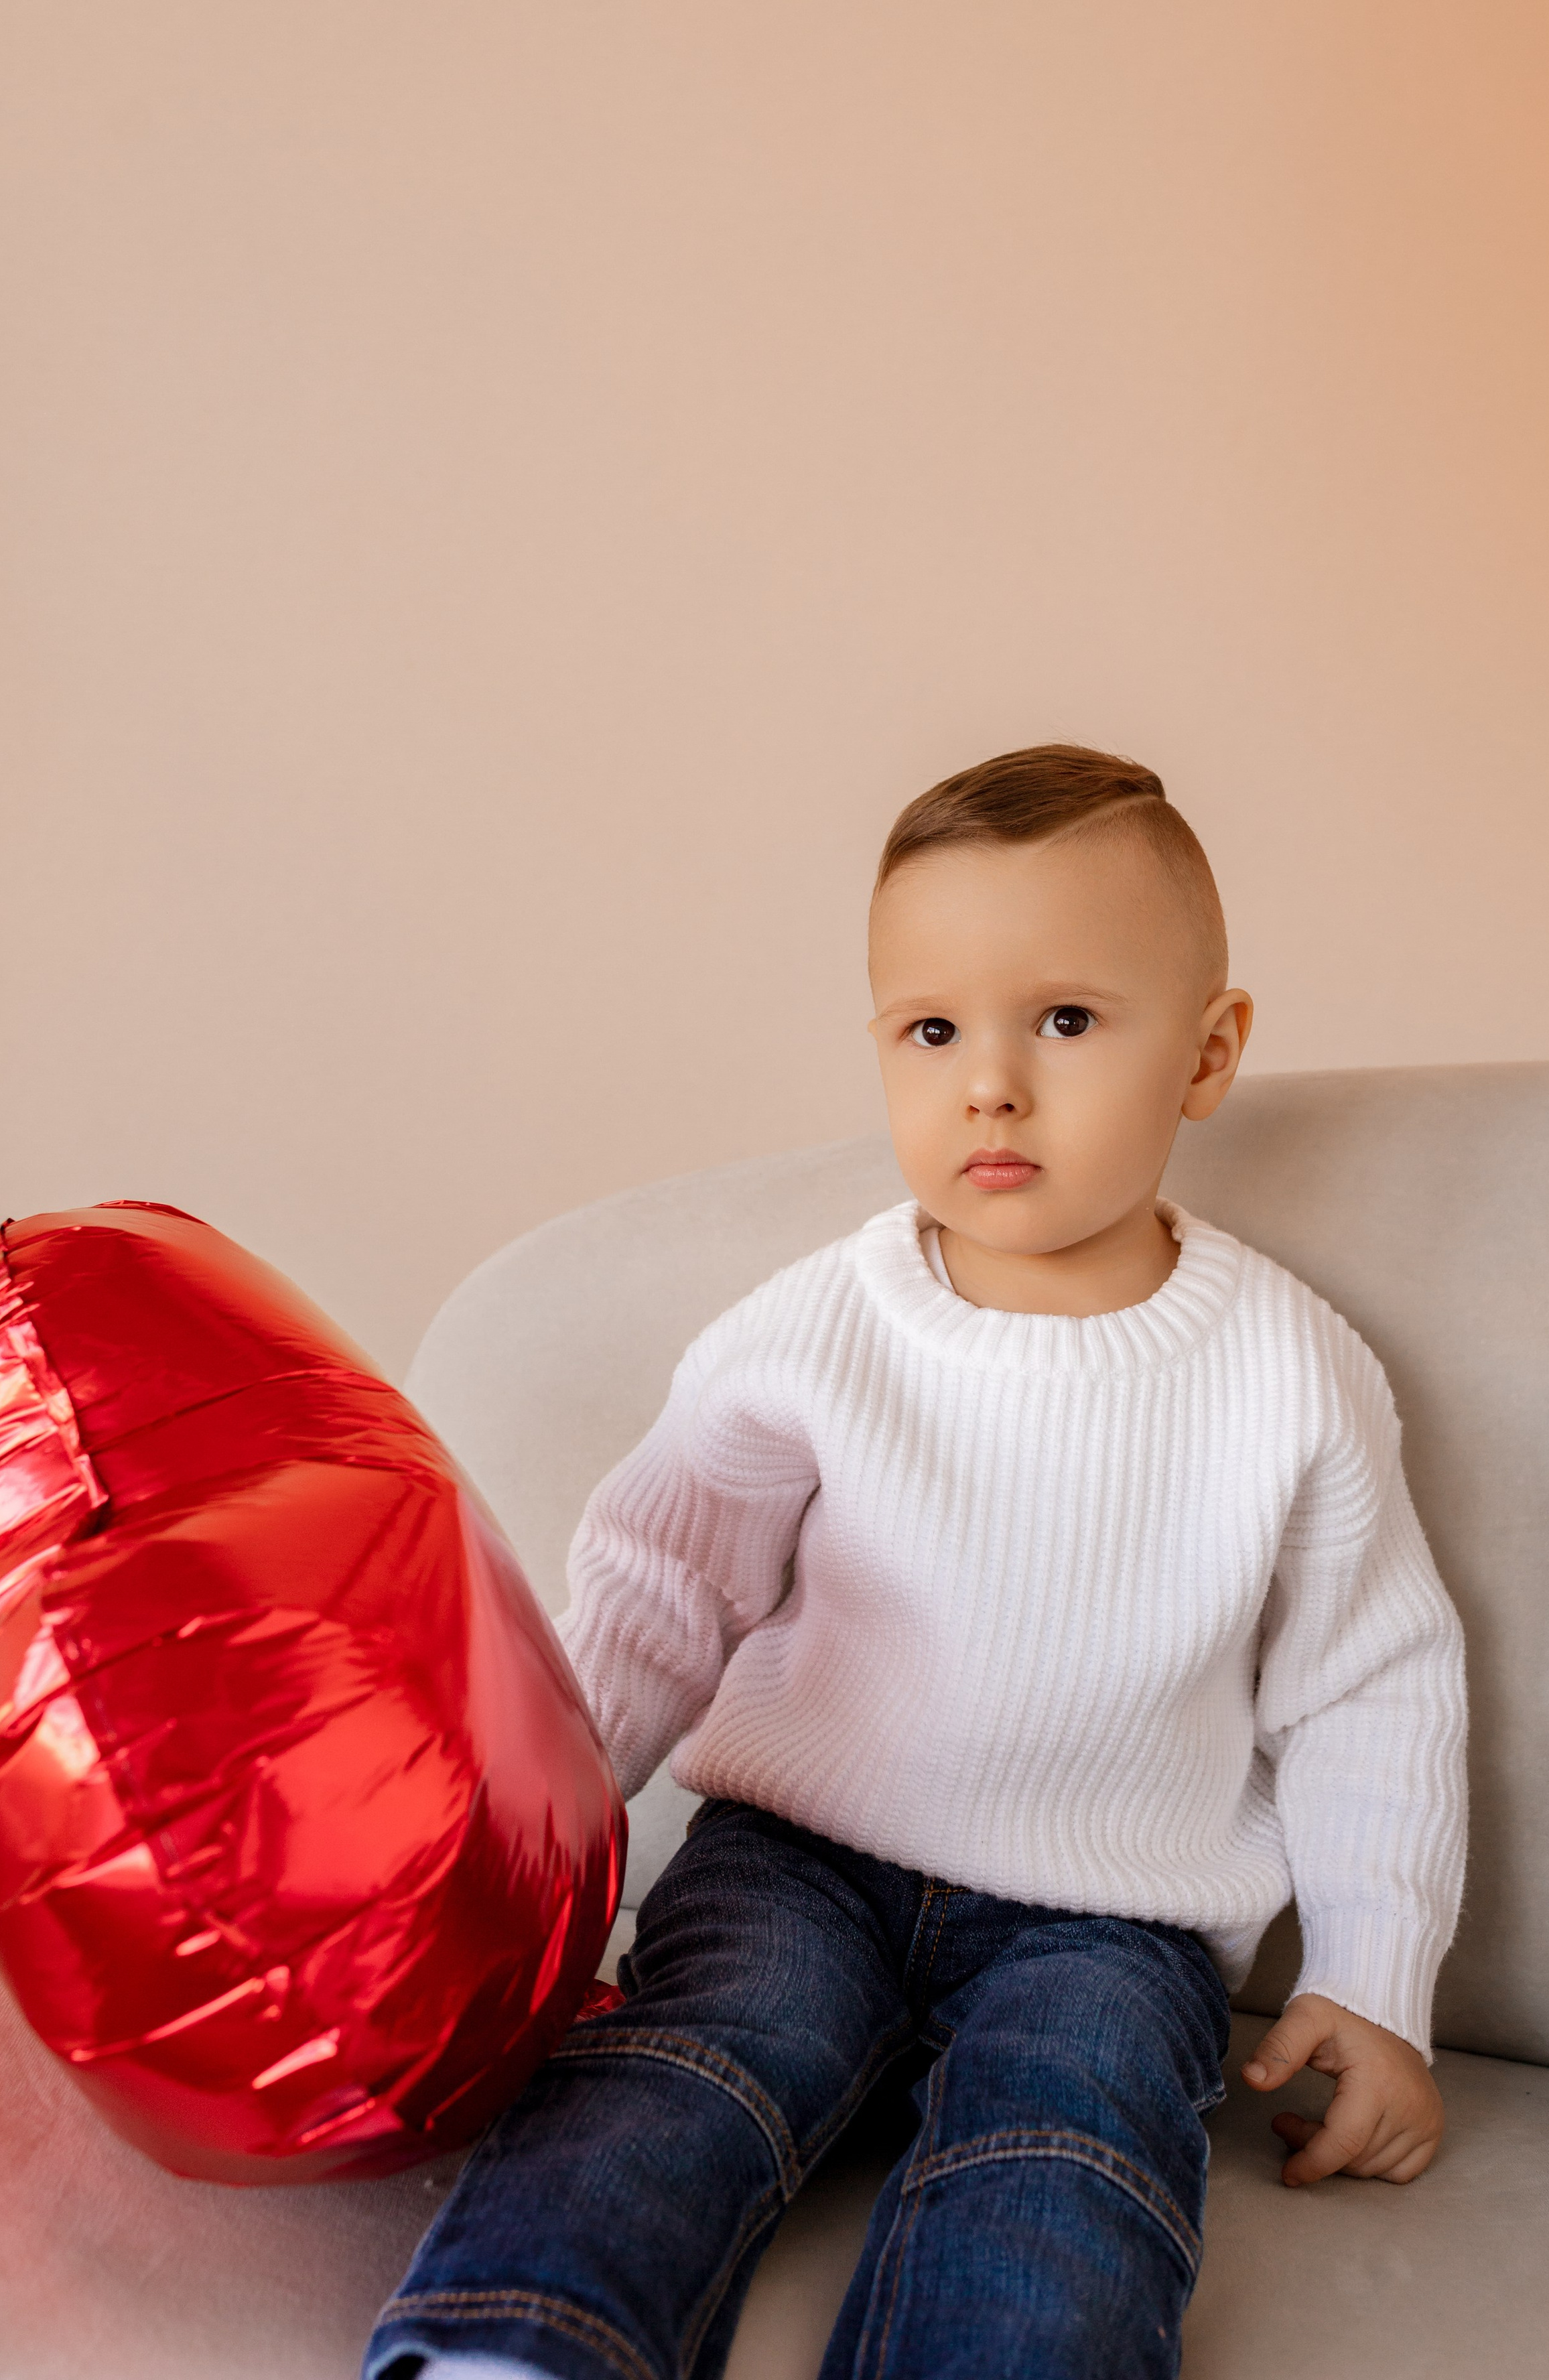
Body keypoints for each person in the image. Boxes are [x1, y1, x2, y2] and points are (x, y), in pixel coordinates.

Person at [366, 744, 1467, 2380]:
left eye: (1067, 1022)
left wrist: (1378, 1979)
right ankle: (518, 2342)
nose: (989, 1085)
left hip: (1107, 1919)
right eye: (931, 1030)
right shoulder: (817, 1330)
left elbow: (1369, 1684)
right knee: (689, 2059)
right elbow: (663, 1587)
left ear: (1208, 1054)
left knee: (1071, 2145)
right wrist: (533, 1841)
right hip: (797, 1856)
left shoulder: (1288, 1375)